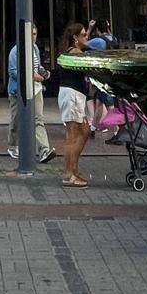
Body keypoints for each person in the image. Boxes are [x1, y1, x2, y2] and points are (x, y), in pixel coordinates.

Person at [6, 23, 55, 164]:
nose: (33, 37)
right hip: (18, 90)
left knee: (38, 119)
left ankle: (44, 150)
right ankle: (13, 145)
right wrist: (32, 76)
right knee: (16, 119)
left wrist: (43, 73)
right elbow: (13, 72)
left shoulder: (35, 48)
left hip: (36, 88)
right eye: (30, 34)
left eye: (34, 34)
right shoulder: (15, 51)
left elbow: (37, 65)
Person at [57, 21, 91, 186]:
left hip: (74, 94)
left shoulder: (72, 52)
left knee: (84, 130)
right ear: (75, 38)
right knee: (72, 135)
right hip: (72, 95)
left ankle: (74, 168)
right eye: (84, 34)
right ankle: (69, 174)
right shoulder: (76, 53)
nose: (87, 37)